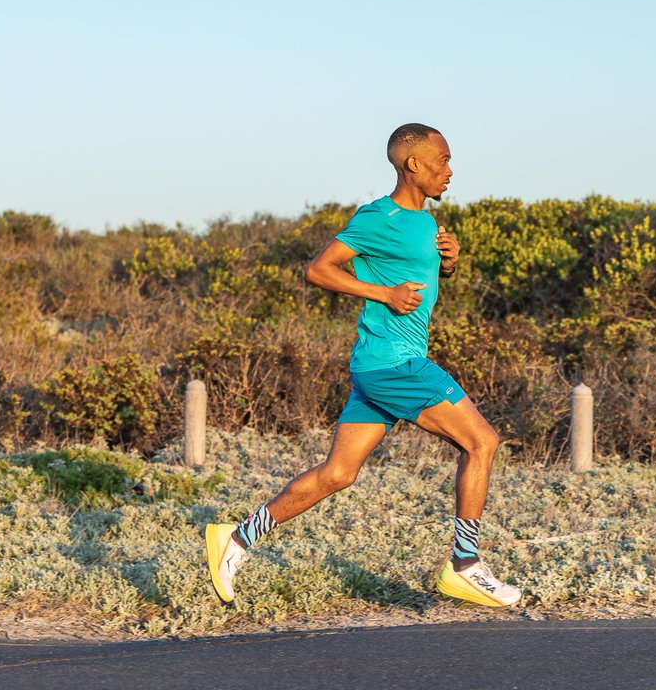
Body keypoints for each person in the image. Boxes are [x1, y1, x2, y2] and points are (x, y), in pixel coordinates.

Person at [204, 123, 521, 607]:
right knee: (482, 442)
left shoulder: (427, 223)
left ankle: (237, 537)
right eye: (442, 161)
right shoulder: (379, 217)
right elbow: (318, 269)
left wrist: (449, 264)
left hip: (378, 366)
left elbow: (415, 278)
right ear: (413, 164)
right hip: (396, 364)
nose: (450, 171)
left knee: (337, 474)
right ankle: (464, 564)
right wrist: (383, 294)